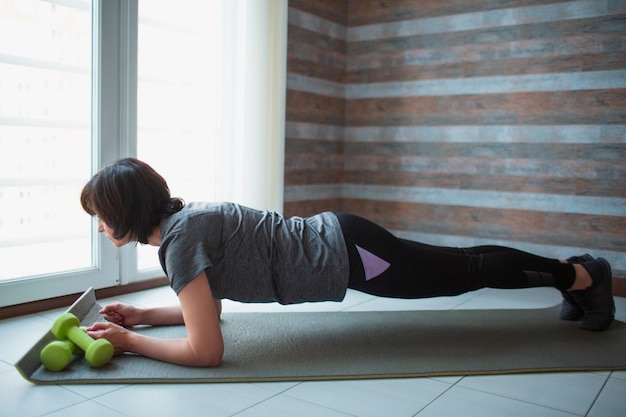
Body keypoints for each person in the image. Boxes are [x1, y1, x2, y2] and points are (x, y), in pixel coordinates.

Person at [82, 158, 616, 367]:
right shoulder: (183, 226)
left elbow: (206, 350)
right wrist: (143, 317)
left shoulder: (179, 243)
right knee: (462, 265)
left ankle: (583, 274)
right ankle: (575, 275)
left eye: (101, 215)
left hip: (353, 257)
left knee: (466, 273)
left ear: (125, 210)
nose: (100, 226)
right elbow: (207, 311)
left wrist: (128, 343)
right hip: (345, 241)